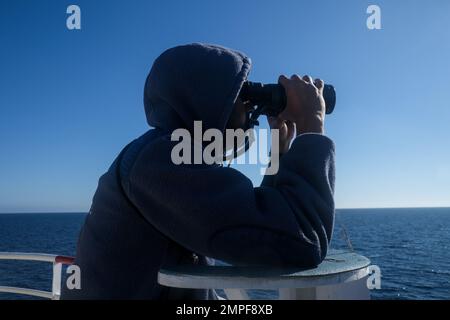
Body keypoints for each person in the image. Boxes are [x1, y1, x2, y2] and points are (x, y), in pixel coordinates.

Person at [61, 43, 335, 300]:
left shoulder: (165, 156)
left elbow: (264, 225)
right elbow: (302, 242)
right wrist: (313, 125)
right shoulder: (159, 163)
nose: (251, 107)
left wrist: (280, 151)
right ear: (208, 102)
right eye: (242, 95)